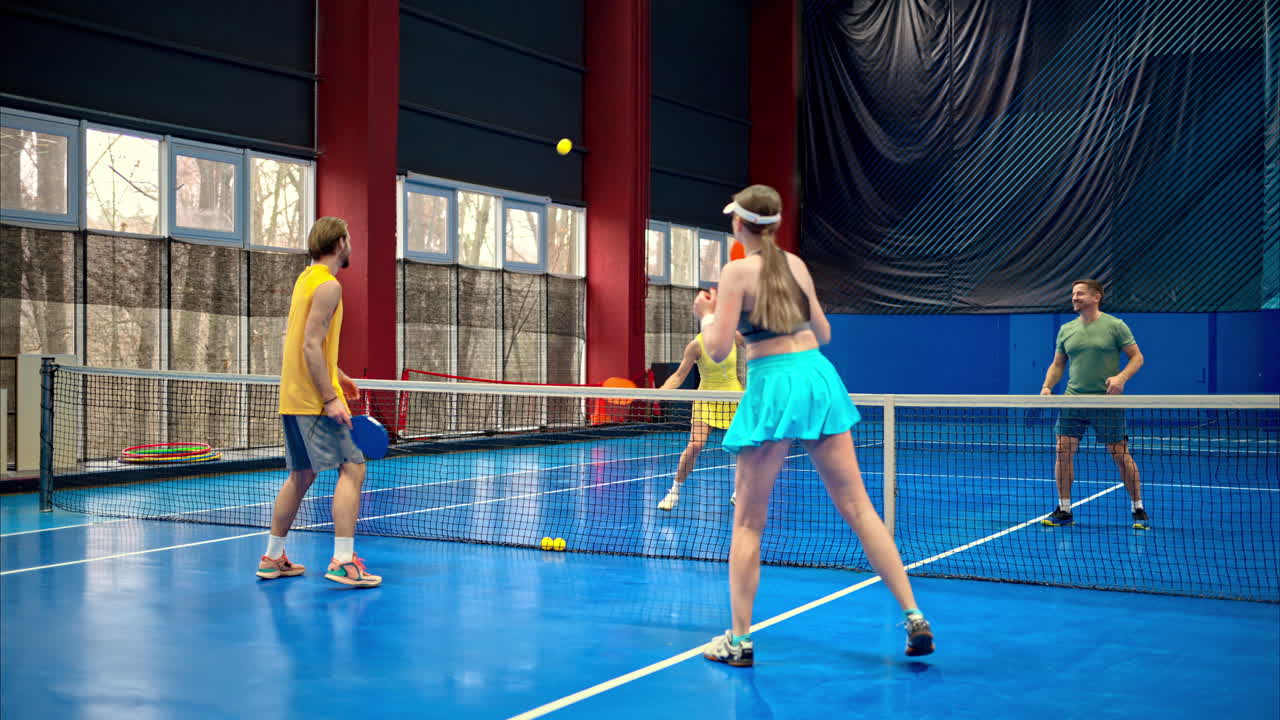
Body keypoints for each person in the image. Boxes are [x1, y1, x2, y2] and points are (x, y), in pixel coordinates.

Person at [697, 185, 933, 667]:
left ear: (741, 225)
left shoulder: (736, 271)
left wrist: (708, 319)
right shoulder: (797, 266)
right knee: (860, 507)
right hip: (818, 375)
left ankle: (739, 642)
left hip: (775, 384)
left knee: (747, 521)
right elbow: (823, 332)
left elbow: (718, 350)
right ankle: (913, 616)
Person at [256, 216, 382, 587]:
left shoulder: (305, 279)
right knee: (353, 468)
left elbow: (305, 340)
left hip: (294, 395)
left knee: (301, 474)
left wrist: (337, 372)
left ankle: (273, 557)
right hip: (313, 400)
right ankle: (343, 561)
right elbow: (310, 343)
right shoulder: (329, 286)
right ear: (341, 242)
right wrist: (330, 397)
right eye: (350, 239)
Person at [1039, 279, 1147, 529]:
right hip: (1073, 400)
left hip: (1106, 402)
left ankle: (1138, 508)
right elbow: (1058, 364)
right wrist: (1047, 386)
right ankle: (1064, 509)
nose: (1074, 298)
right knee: (1062, 451)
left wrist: (1121, 378)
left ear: (1096, 296)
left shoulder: (1115, 326)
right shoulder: (1066, 329)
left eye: (1080, 293)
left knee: (1119, 454)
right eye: (1073, 293)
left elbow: (1137, 357)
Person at [656, 324, 746, 511]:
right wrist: (658, 393)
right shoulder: (696, 345)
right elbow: (679, 375)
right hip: (706, 397)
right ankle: (674, 492)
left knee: (743, 446)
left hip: (733, 396)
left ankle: (740, 491)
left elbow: (758, 351)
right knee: (696, 443)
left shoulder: (734, 336)